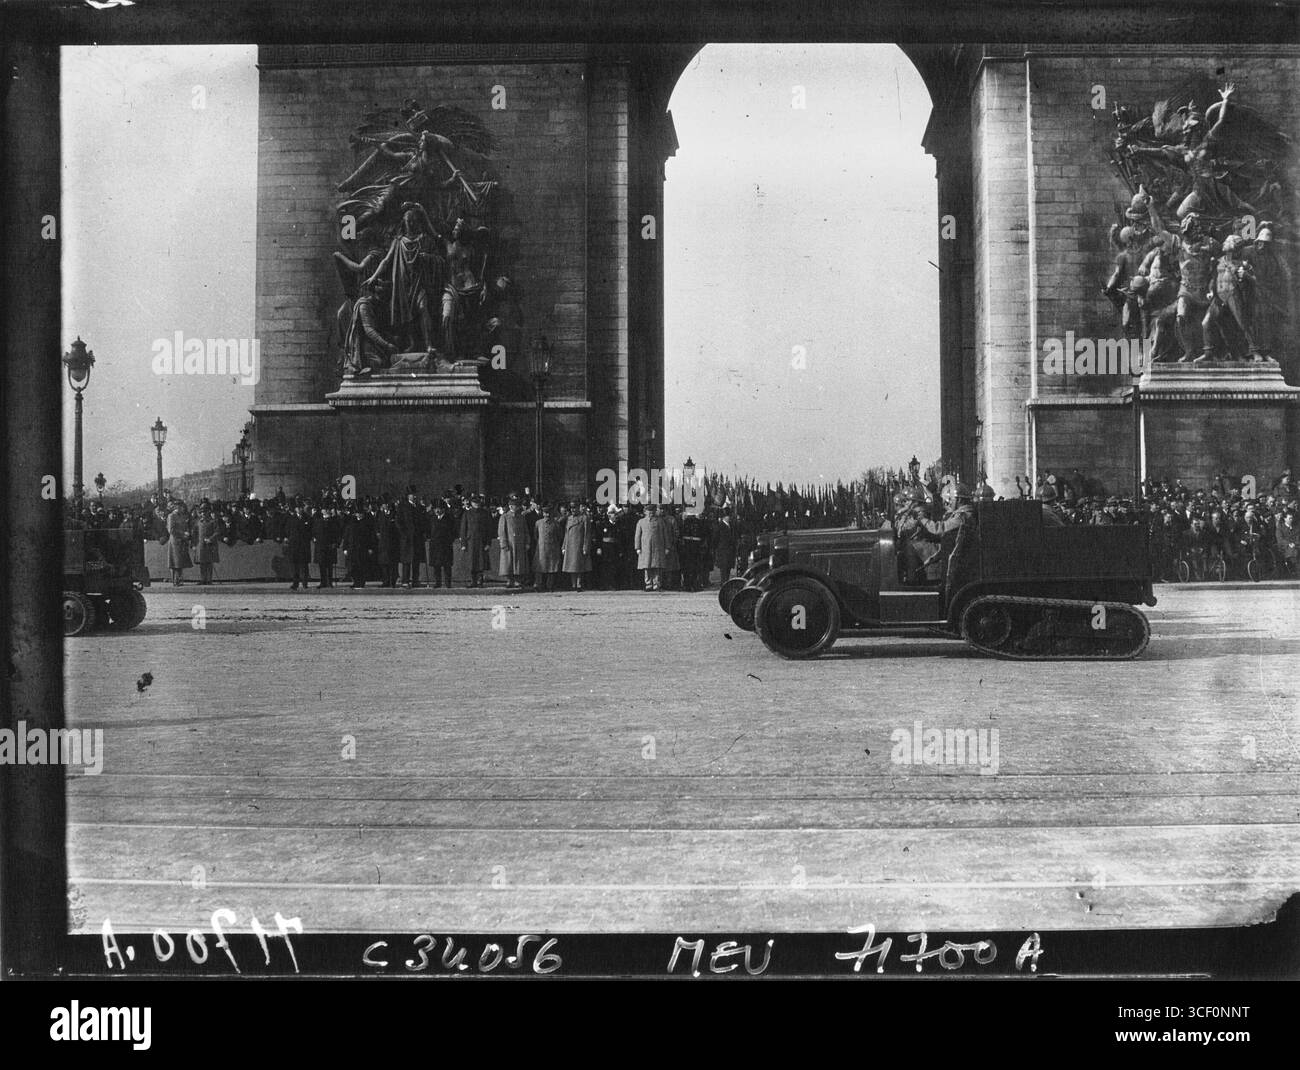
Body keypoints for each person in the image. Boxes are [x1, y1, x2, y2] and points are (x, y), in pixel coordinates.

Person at [458, 493, 493, 588]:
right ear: (471, 503)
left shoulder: (485, 513)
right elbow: (463, 529)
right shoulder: (467, 513)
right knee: (472, 562)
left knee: (481, 562)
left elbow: (489, 529)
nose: (476, 504)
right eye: (474, 502)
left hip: (482, 541)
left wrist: (488, 543)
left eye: (478, 502)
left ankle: (480, 581)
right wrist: (463, 543)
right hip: (470, 542)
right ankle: (472, 581)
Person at [395, 487, 427, 588]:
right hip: (407, 538)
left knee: (416, 560)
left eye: (415, 494)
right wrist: (404, 533)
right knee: (407, 560)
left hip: (417, 538)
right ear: (408, 495)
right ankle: (405, 581)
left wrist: (423, 532)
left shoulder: (418, 506)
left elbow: (422, 521)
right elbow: (398, 521)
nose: (414, 496)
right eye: (412, 494)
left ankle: (415, 580)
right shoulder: (402, 506)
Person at [497, 496, 531, 589]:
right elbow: (502, 532)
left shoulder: (521, 517)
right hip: (509, 544)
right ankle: (509, 580)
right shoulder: (504, 517)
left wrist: (527, 542)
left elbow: (526, 531)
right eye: (515, 506)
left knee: (518, 563)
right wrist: (504, 544)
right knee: (508, 563)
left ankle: (517, 580)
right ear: (511, 506)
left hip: (519, 544)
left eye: (518, 506)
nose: (517, 508)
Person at [635, 503, 667, 591]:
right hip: (646, 548)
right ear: (645, 512)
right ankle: (648, 584)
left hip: (658, 547)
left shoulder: (660, 521)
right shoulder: (641, 522)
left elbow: (665, 535)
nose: (650, 513)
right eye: (648, 511)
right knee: (647, 566)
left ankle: (656, 584)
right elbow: (637, 535)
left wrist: (666, 547)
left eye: (652, 511)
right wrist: (637, 547)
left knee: (657, 566)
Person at [534, 503, 565, 592]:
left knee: (552, 568)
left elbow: (560, 536)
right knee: (539, 568)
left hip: (552, 549)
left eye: (548, 513)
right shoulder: (538, 523)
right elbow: (535, 536)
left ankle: (550, 585)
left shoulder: (556, 524)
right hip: (541, 549)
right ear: (543, 514)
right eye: (545, 513)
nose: (547, 515)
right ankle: (538, 585)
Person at [562, 502, 592, 591]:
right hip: (570, 545)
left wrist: (585, 546)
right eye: (571, 508)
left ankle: (579, 584)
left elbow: (587, 534)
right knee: (571, 565)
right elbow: (566, 533)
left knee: (579, 566)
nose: (573, 510)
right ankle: (573, 584)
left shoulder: (584, 518)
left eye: (574, 508)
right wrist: (564, 546)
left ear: (579, 508)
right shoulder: (569, 518)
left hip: (579, 545)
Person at [427, 500, 457, 588]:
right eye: (436, 509)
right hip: (435, 545)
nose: (437, 511)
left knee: (447, 565)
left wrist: (449, 540)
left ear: (443, 509)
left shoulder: (449, 519)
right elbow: (428, 530)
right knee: (436, 565)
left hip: (445, 545)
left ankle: (448, 583)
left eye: (439, 509)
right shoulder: (432, 519)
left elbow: (454, 531)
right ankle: (438, 582)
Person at [285, 502, 313, 590]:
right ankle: (295, 583)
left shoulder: (307, 518)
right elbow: (287, 530)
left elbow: (310, 530)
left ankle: (305, 583)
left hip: (304, 545)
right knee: (295, 566)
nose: (300, 509)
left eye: (301, 507)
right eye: (298, 508)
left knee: (304, 566)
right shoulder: (291, 519)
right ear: (295, 509)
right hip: (294, 545)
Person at [165, 503, 192, 586]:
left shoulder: (182, 516)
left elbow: (185, 526)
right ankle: (175, 580)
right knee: (175, 562)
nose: (182, 509)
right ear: (176, 507)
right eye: (180, 507)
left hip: (182, 541)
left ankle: (179, 579)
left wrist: (186, 533)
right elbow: (171, 530)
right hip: (175, 542)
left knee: (180, 562)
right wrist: (183, 533)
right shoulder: (171, 516)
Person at [195, 504, 221, 585]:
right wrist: (194, 544)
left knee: (209, 563)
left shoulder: (213, 522)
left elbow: (217, 532)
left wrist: (210, 539)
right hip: (201, 545)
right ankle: (203, 579)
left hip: (210, 545)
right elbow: (195, 533)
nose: (203, 514)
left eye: (204, 512)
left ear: (208, 513)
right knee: (202, 563)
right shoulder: (198, 522)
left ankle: (209, 580)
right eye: (201, 512)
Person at [712, 508, 739, 584]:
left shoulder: (731, 526)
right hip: (723, 550)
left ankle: (726, 581)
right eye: (727, 516)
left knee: (728, 568)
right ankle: (723, 583)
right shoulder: (720, 526)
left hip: (730, 550)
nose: (729, 518)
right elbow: (715, 539)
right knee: (723, 568)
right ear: (724, 517)